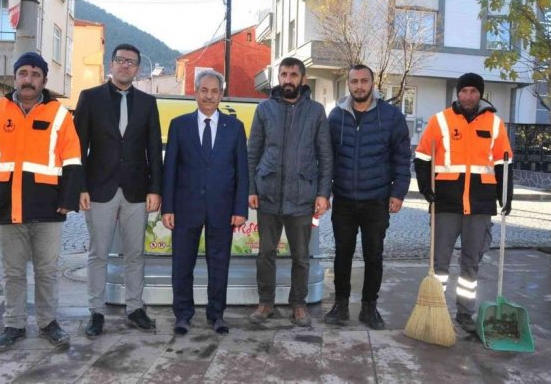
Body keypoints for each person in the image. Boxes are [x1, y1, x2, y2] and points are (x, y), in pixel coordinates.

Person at [0, 52, 83, 352]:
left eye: (35, 74)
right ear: (15, 77)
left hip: (49, 206)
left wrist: (68, 200)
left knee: (47, 271)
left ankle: (48, 323)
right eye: (23, 73)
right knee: (13, 272)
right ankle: (14, 325)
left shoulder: (59, 114)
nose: (28, 79)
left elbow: (72, 159)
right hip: (7, 204)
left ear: (44, 80)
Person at [74, 43, 163, 337]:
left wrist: (155, 188)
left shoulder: (148, 103)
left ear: (138, 69)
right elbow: (78, 148)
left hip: (137, 190)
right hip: (99, 189)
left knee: (135, 254)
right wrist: (80, 187)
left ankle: (135, 308)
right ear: (111, 64)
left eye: (131, 62)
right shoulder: (90, 98)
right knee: (98, 253)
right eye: (121, 60)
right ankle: (96, 312)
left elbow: (153, 149)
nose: (125, 65)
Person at [414, 72, 513, 333]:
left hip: (480, 203)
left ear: (481, 94)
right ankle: (436, 309)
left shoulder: (494, 124)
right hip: (446, 201)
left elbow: (503, 162)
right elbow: (422, 157)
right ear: (457, 93)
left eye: (473, 91)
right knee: (439, 262)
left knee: (471, 261)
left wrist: (506, 195)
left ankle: (465, 312)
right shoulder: (441, 120)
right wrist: (425, 187)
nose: (468, 96)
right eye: (464, 91)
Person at [324, 64, 411, 329]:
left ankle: (369, 307)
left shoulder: (391, 116)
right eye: (354, 81)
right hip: (344, 199)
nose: (359, 86)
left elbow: (402, 157)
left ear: (373, 84)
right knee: (342, 254)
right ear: (348, 84)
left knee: (374, 255)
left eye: (364, 81)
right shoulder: (336, 116)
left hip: (376, 199)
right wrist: (323, 192)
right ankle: (340, 305)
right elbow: (327, 158)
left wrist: (398, 192)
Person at [247, 57, 333, 327]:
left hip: (302, 196)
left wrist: (323, 193)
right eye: (284, 74)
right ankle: (266, 303)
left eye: (293, 75)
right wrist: (251, 188)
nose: (288, 79)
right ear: (278, 77)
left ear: (302, 79)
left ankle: (299, 304)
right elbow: (253, 152)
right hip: (268, 194)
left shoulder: (316, 111)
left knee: (301, 257)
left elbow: (325, 156)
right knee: (266, 254)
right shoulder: (264, 109)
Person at [161, 69, 248, 335]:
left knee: (219, 264)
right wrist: (168, 207)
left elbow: (242, 171)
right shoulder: (179, 125)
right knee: (182, 264)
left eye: (215, 91)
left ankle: (216, 314)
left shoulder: (235, 127)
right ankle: (183, 315)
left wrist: (240, 209)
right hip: (185, 208)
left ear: (221, 95)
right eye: (204, 90)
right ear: (195, 93)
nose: (209, 96)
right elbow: (170, 169)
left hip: (222, 208)